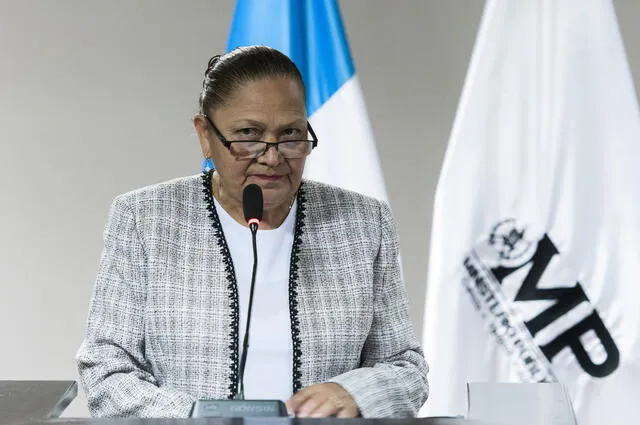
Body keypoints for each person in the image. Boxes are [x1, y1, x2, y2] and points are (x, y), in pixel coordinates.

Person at [76, 45, 428, 418]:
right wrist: (200, 417)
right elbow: (106, 368)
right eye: (248, 134)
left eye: (291, 134)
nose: (273, 156)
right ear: (205, 135)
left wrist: (354, 392)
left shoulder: (362, 223)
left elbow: (406, 368)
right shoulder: (145, 219)